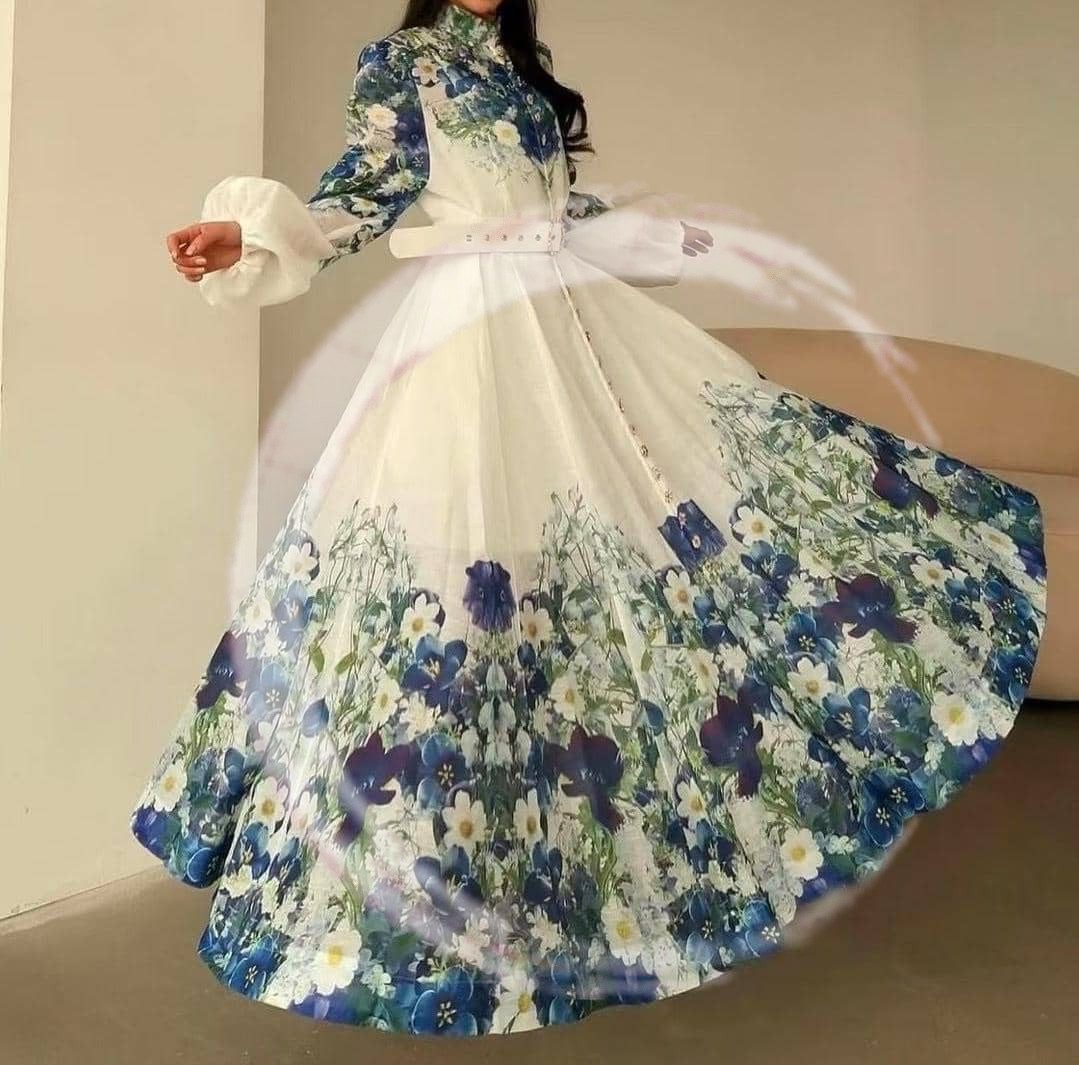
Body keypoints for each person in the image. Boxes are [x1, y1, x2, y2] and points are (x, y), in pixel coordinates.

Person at [131, 0, 1047, 1037]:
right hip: (469, 337)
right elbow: (365, 190)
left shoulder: (523, 72)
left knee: (627, 531)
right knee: (455, 579)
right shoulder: (406, 60)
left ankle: (585, 874)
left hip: (563, 324)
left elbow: (550, 207)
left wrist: (638, 229)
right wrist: (248, 235)